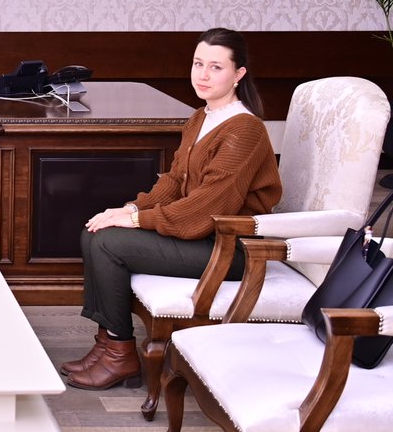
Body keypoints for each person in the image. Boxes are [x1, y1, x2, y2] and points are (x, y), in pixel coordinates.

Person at [63, 27, 281, 391]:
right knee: (95, 231)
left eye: (216, 67)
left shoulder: (245, 130)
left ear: (238, 74)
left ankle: (120, 355)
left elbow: (207, 207)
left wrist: (137, 220)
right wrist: (128, 208)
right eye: (198, 64)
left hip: (229, 248)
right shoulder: (201, 117)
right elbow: (175, 182)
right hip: (202, 236)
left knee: (108, 244)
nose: (203, 75)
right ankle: (108, 346)